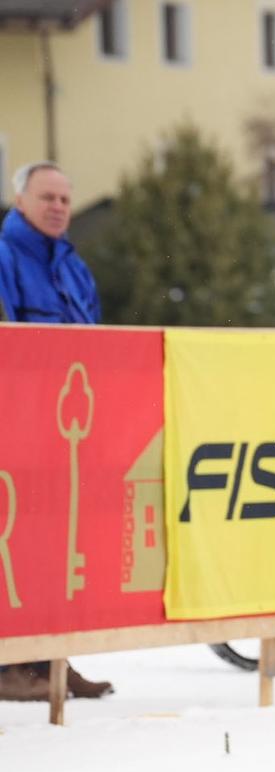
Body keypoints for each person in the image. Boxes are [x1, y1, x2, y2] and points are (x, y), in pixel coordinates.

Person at [0, 161, 114, 703]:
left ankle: (53, 659)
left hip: (66, 434)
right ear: (20, 201)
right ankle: (11, 665)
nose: (59, 207)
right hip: (16, 427)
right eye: (47, 197)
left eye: (66, 199)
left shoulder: (73, 267)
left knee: (56, 549)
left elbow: (95, 342)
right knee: (14, 547)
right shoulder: (4, 258)